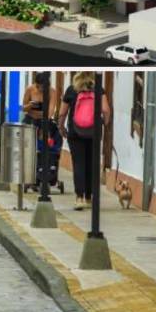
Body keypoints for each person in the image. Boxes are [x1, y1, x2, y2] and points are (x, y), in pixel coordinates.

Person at [59, 72, 110, 211]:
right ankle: (89, 197)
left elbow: (62, 113)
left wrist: (61, 127)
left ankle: (79, 197)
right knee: (92, 163)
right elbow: (105, 110)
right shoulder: (99, 89)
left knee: (79, 163)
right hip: (93, 132)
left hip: (75, 132)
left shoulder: (71, 90)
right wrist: (105, 123)